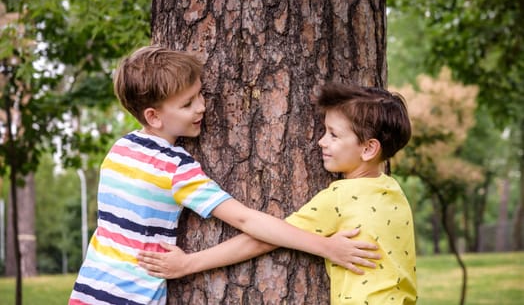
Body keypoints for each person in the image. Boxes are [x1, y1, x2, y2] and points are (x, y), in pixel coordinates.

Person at [68, 46, 381, 305]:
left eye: (200, 95)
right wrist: (326, 247)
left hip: (86, 291)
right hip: (129, 298)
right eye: (188, 103)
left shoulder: (120, 149)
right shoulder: (175, 167)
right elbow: (246, 220)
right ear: (154, 116)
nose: (202, 106)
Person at [137, 83, 418, 304]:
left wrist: (188, 263)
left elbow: (262, 240)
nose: (321, 141)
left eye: (333, 134)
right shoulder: (393, 192)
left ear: (368, 149)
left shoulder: (343, 196)